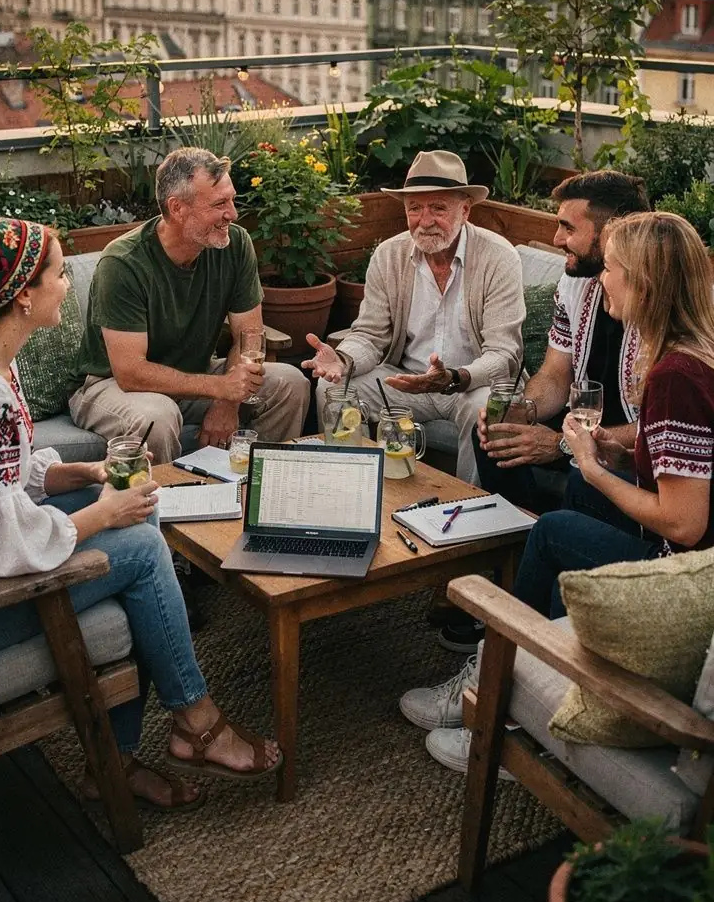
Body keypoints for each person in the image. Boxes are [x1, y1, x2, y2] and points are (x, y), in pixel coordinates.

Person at [0, 218, 280, 812]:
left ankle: (121, 759)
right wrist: (102, 514)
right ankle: (197, 722)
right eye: (56, 275)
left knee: (141, 516)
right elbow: (3, 546)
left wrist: (81, 474)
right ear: (22, 295)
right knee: (143, 546)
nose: (66, 287)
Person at [403, 209, 714, 777]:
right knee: (579, 490)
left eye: (613, 269)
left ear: (643, 282)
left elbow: (686, 523)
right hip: (689, 550)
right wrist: (615, 457)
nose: (602, 280)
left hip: (687, 574)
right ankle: (540, 662)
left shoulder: (676, 376)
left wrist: (594, 470)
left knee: (552, 530)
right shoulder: (690, 353)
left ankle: (505, 710)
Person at [437, 169, 650, 655]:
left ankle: (524, 611)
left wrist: (557, 444)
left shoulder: (659, 305)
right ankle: (506, 573)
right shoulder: (577, 284)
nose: (556, 239)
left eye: (568, 228)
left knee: (577, 478)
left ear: (613, 227)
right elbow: (556, 374)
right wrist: (527, 411)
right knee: (491, 432)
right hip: (582, 427)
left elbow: (664, 429)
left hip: (624, 453)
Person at [69, 147, 309, 462]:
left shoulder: (235, 244)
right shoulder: (123, 263)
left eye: (232, 200)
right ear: (178, 208)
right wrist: (219, 388)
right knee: (157, 415)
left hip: (196, 375)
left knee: (290, 384)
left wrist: (228, 403)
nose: (233, 214)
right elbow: (130, 372)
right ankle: (168, 506)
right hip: (111, 385)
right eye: (220, 204)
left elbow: (248, 336)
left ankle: (254, 494)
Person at [303, 150, 525, 486]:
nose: (425, 220)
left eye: (438, 208)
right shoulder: (388, 255)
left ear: (465, 210)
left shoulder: (498, 257)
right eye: (414, 209)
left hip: (470, 383)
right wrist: (343, 360)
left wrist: (453, 377)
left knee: (485, 405)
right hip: (405, 381)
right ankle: (353, 491)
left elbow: (504, 355)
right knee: (334, 388)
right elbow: (370, 335)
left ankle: (471, 511)